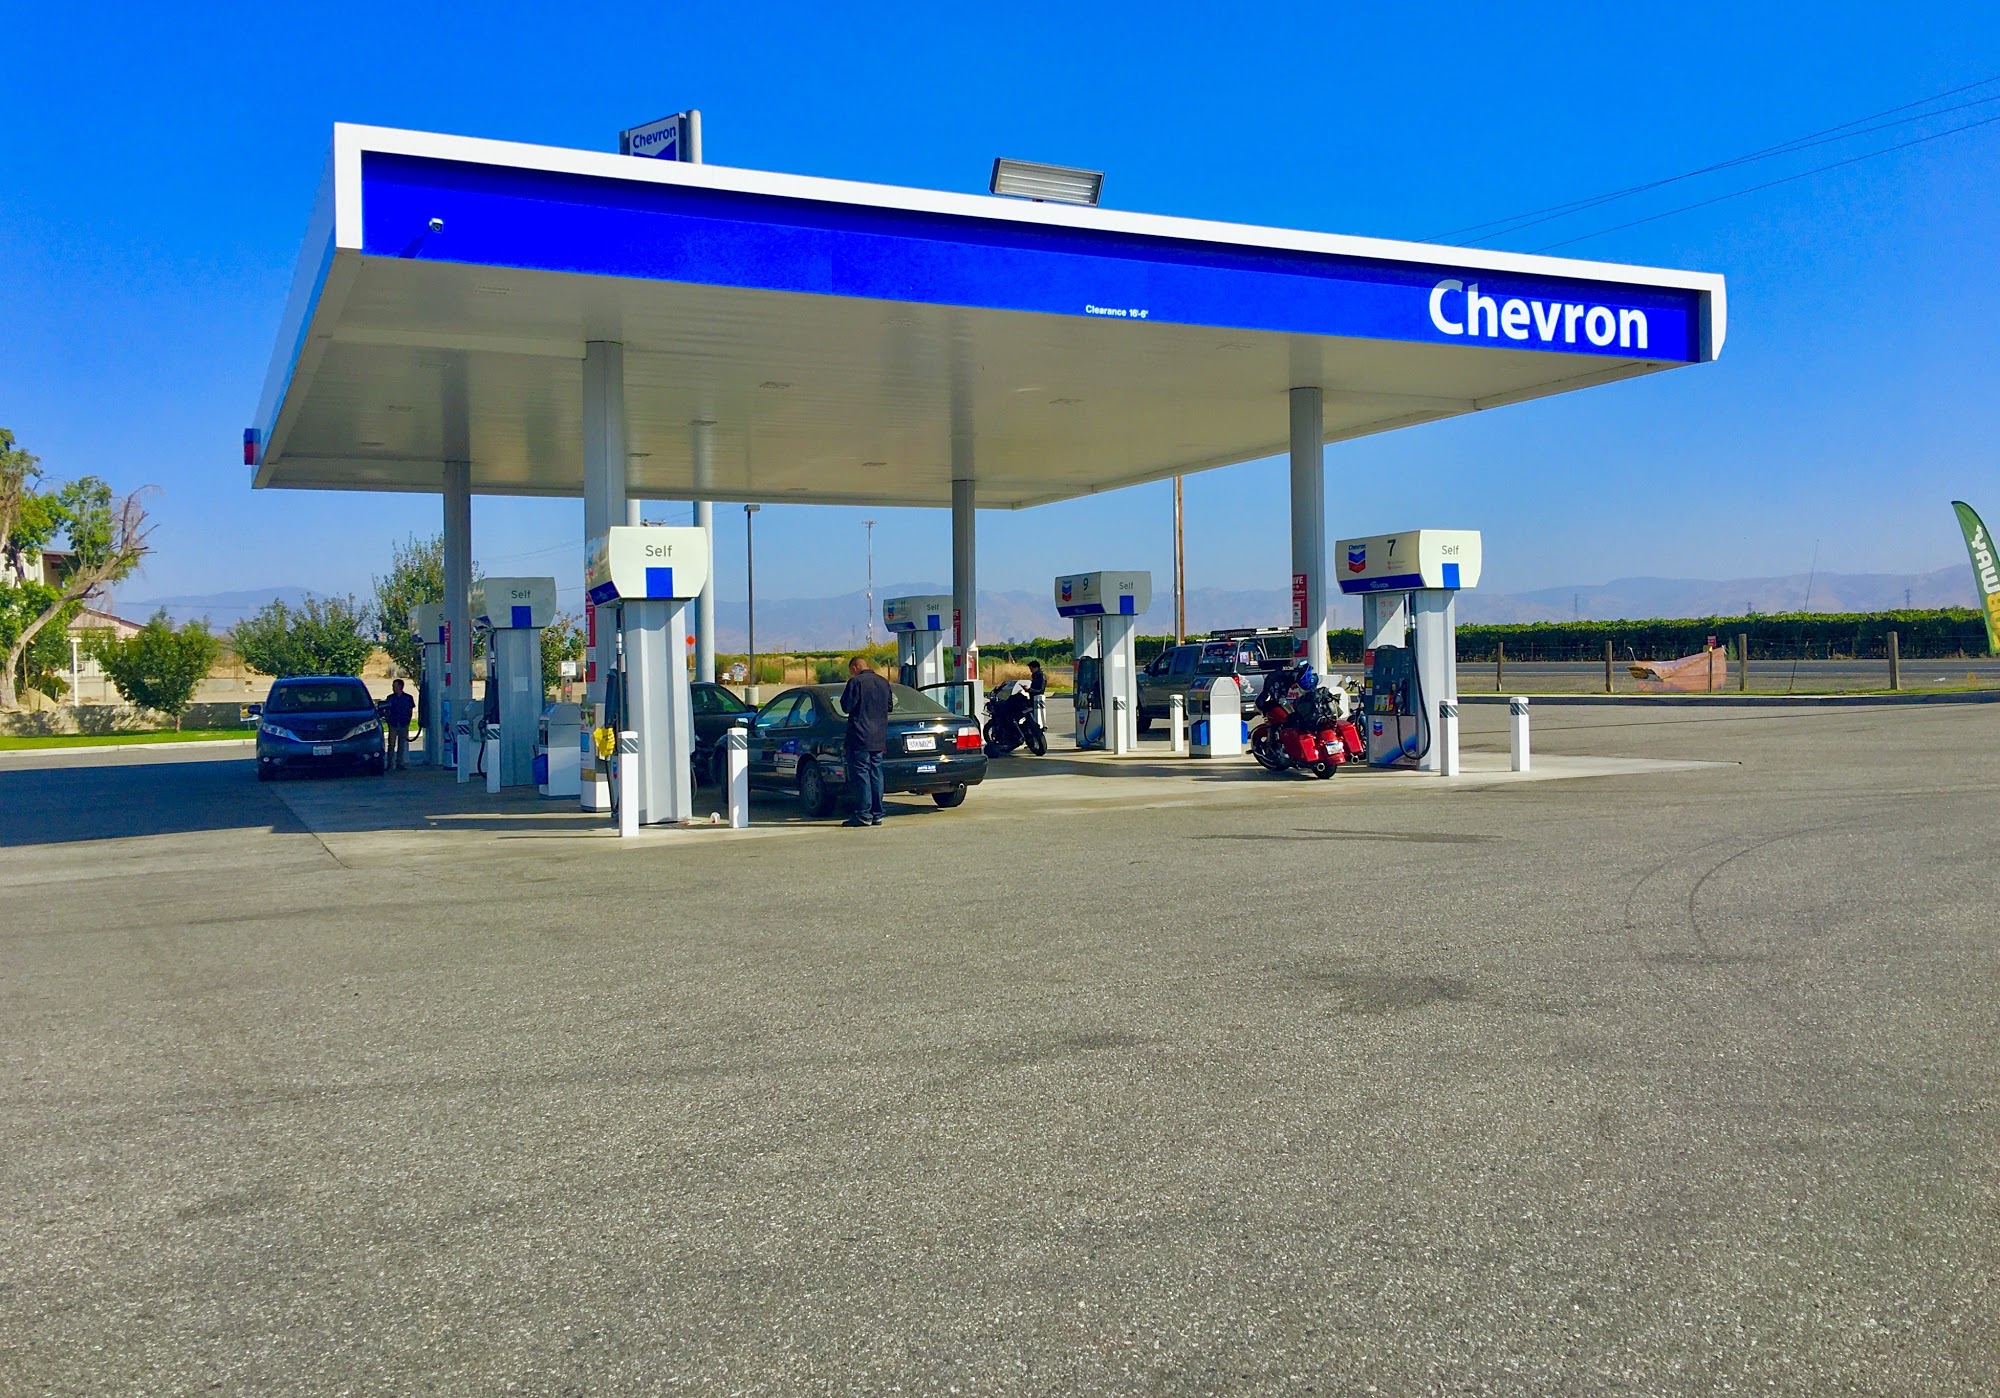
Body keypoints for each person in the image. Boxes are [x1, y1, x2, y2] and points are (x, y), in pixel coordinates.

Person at [838, 655, 893, 826]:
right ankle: (877, 813)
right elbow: (889, 706)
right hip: (879, 736)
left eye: (851, 671)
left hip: (859, 736)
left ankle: (863, 814)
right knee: (876, 773)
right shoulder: (883, 682)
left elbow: (846, 706)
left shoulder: (856, 682)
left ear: (854, 668)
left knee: (861, 774)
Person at [383, 678, 417, 771]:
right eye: (393, 686)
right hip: (393, 723)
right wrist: (388, 720)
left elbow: (410, 710)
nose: (393, 688)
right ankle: (390, 764)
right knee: (391, 745)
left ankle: (399, 763)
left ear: (401, 687)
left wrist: (408, 721)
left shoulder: (408, 698)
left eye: (395, 686)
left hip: (403, 723)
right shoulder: (390, 698)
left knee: (401, 745)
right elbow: (386, 710)